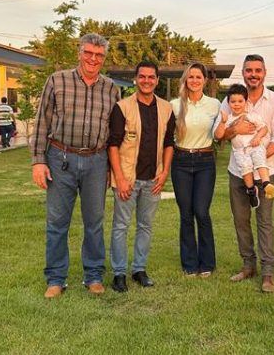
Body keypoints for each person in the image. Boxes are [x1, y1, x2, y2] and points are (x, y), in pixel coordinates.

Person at [31, 33, 121, 299]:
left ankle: (93, 275)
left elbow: (113, 132)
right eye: (88, 53)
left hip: (97, 160)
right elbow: (42, 122)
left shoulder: (111, 88)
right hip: (61, 158)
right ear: (79, 53)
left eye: (99, 55)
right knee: (57, 221)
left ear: (104, 58)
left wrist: (111, 168)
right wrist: (38, 161)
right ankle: (56, 278)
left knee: (94, 221)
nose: (93, 59)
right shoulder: (57, 80)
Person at [217, 54, 274, 293]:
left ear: (264, 73)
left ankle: (268, 272)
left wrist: (258, 159)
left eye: (258, 70)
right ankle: (249, 265)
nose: (253, 74)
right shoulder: (231, 100)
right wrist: (235, 129)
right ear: (244, 73)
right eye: (249, 70)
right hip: (237, 171)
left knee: (264, 221)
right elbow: (220, 135)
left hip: (266, 170)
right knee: (241, 220)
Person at [108, 61, 175, 292]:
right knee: (121, 226)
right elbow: (113, 145)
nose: (147, 81)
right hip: (127, 178)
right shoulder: (122, 107)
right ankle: (119, 273)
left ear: (157, 80)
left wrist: (164, 172)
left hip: (153, 179)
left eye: (151, 77)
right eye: (142, 76)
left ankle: (139, 269)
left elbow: (169, 143)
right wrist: (119, 178)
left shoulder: (166, 108)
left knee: (145, 226)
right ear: (136, 79)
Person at [170, 62, 220, 278]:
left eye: (198, 77)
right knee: (186, 213)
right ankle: (189, 263)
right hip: (181, 161)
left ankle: (207, 262)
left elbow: (224, 129)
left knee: (201, 211)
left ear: (205, 80)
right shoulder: (174, 105)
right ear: (185, 79)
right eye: (190, 77)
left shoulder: (215, 104)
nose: (194, 80)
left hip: (205, 161)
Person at [214, 84, 274, 209]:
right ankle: (251, 190)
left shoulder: (251, 116)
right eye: (233, 102)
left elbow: (264, 128)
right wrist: (223, 122)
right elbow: (218, 135)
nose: (236, 104)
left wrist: (257, 137)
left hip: (254, 145)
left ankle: (266, 183)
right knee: (245, 170)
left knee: (260, 160)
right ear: (228, 103)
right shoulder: (228, 119)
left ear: (245, 102)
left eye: (240, 101)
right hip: (240, 151)